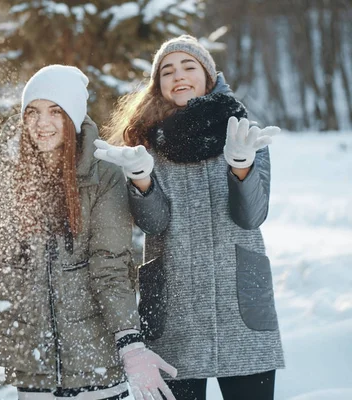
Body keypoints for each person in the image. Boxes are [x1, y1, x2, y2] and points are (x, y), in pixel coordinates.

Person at [0, 65, 178, 400]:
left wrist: (129, 343)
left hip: (94, 359)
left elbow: (110, 266)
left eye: (55, 112)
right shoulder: (3, 175)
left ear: (72, 117)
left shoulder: (103, 175)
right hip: (33, 359)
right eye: (33, 112)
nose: (42, 124)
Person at [93, 35, 285, 400]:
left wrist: (241, 166)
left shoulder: (243, 132)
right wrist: (141, 178)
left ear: (208, 76)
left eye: (188, 67)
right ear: (158, 84)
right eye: (167, 71)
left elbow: (252, 216)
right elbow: (154, 224)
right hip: (175, 309)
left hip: (240, 303)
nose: (178, 76)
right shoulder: (145, 142)